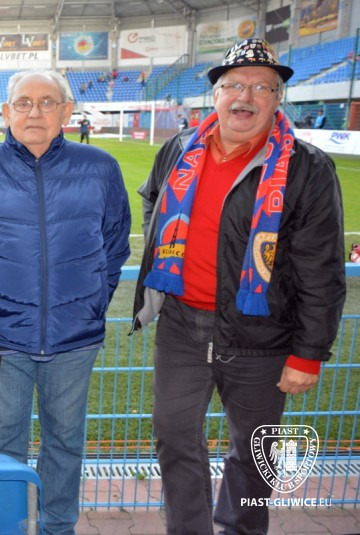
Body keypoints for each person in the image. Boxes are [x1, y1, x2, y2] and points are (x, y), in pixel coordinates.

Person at [131, 39, 345, 534]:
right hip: (182, 325)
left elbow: (321, 269)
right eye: (233, 85)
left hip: (261, 334)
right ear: (216, 95)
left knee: (253, 451)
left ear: (277, 99)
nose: (245, 96)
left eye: (261, 87)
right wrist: (166, 256)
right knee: (174, 438)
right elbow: (153, 200)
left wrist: (309, 354)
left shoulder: (307, 167)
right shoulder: (178, 148)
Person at [0, 70, 131, 535]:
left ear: (67, 111)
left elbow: (114, 245)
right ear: (7, 112)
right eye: (24, 103)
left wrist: (89, 305)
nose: (35, 112)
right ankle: (8, 525)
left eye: (47, 102)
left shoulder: (100, 167)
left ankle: (57, 527)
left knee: (65, 440)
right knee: (3, 444)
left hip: (74, 337)